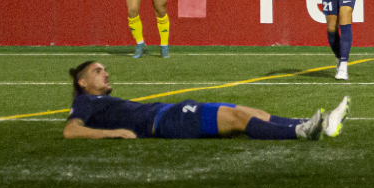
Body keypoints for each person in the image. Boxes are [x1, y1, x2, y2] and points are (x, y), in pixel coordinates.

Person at [64, 61, 350, 140]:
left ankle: (321, 123)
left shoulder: (96, 101)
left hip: (170, 113)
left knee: (249, 111)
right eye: (97, 71)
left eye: (104, 69)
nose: (106, 73)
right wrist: (112, 133)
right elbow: (71, 130)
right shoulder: (85, 102)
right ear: (83, 82)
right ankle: (301, 132)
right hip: (166, 121)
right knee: (238, 118)